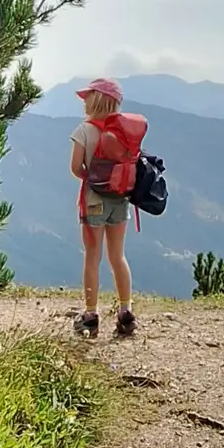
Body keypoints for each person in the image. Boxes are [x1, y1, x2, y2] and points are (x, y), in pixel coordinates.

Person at [71, 76, 141, 338]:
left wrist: (93, 179)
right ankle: (126, 311)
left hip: (93, 201)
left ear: (97, 99)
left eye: (88, 96)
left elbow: (76, 167)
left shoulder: (84, 131)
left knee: (92, 256)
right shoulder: (125, 131)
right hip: (120, 200)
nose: (84, 101)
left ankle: (91, 314)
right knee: (117, 256)